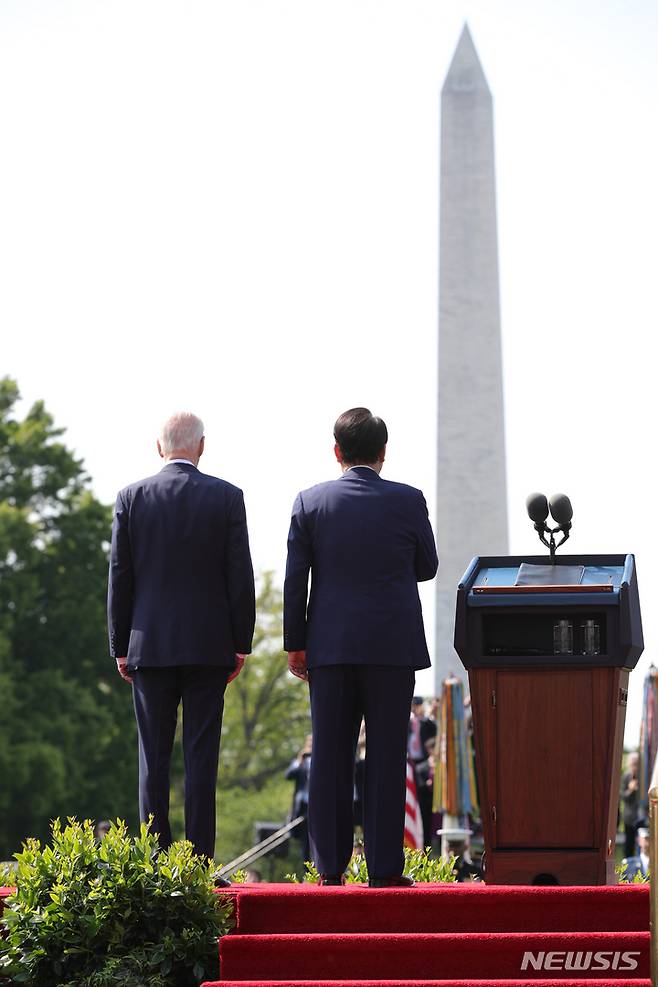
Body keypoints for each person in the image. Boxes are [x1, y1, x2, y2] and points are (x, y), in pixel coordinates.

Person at [284, 407, 438, 887]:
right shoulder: (408, 501)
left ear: (337, 452)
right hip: (392, 648)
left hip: (328, 648)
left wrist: (296, 645)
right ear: (383, 453)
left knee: (329, 757)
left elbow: (295, 581)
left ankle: (330, 869)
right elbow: (427, 566)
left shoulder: (310, 502)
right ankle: (385, 870)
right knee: (388, 758)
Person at [107, 412, 255, 873]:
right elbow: (239, 576)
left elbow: (120, 576)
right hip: (210, 645)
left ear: (158, 446)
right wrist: (240, 642)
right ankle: (196, 864)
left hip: (149, 646)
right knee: (201, 756)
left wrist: (119, 643)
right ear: (202, 446)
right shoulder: (227, 497)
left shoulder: (131, 498)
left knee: (153, 758)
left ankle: (155, 862)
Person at [285, 735, 313, 863]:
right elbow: (288, 775)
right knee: (305, 842)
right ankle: (307, 872)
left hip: (318, 806)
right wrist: (299, 760)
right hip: (303, 806)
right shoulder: (301, 762)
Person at [620, 751, 641, 859]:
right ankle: (627, 871)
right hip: (629, 817)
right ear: (629, 764)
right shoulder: (626, 776)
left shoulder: (643, 775)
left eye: (637, 763)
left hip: (642, 817)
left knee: (642, 844)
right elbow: (623, 796)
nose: (635, 766)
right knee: (628, 846)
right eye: (633, 764)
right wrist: (630, 790)